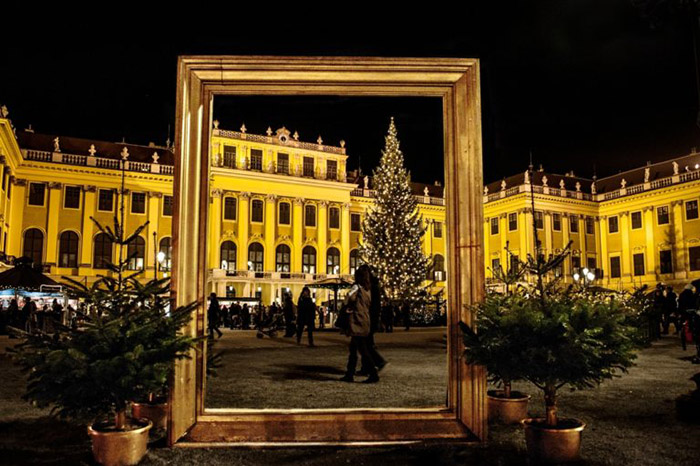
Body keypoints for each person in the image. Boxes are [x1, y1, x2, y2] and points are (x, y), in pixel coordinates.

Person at [340, 267, 379, 383]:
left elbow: (348, 299)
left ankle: (373, 374)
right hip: (365, 320)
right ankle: (349, 373)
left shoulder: (356, 287)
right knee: (354, 348)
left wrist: (348, 306)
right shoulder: (368, 289)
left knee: (361, 349)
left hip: (357, 320)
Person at [358, 265, 387, 376]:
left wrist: (373, 320)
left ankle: (379, 362)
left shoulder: (371, 287)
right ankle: (367, 367)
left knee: (365, 345)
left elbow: (373, 306)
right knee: (365, 344)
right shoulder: (372, 286)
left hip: (368, 319)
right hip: (368, 319)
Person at [678, 284, 695, 351]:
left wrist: (679, 312)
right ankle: (690, 336)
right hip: (690, 313)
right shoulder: (691, 295)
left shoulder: (682, 294)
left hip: (683, 313)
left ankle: (684, 340)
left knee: (683, 326)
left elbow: (680, 304)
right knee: (690, 325)